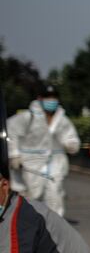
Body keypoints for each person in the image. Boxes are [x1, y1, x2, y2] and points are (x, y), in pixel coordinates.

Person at [7, 85, 81, 217]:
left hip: (55, 162)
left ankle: (54, 227)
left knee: (55, 193)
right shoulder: (27, 117)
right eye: (48, 97)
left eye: (53, 97)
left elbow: (71, 137)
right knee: (32, 194)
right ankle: (29, 223)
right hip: (30, 163)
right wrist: (14, 155)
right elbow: (11, 132)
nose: (51, 100)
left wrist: (71, 144)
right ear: (40, 98)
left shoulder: (62, 120)